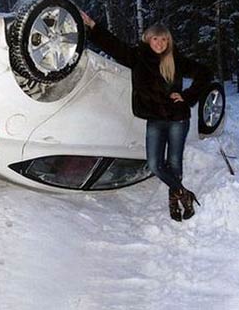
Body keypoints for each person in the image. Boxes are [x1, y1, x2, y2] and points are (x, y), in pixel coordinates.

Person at [81, 12, 213, 222]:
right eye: (155, 38)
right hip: (154, 119)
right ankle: (184, 193)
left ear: (168, 41)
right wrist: (93, 26)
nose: (159, 43)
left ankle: (174, 200)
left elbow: (205, 73)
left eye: (163, 39)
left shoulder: (175, 59)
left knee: (174, 162)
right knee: (154, 164)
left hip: (178, 118)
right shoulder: (137, 57)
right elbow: (112, 45)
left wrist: (187, 97)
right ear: (147, 39)